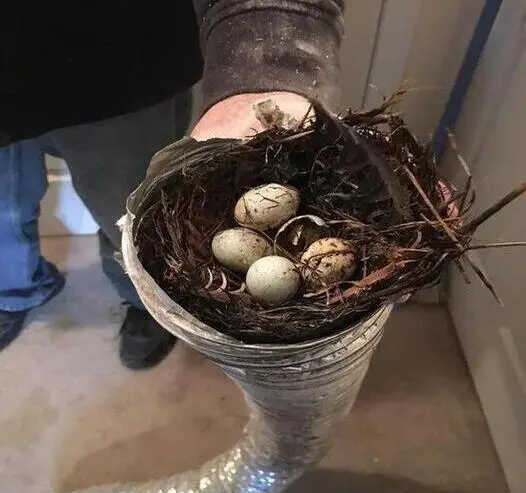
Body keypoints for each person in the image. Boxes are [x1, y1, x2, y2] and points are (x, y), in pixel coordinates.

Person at [0, 1, 344, 367]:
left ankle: (143, 302)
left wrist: (266, 68)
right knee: (6, 206)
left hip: (108, 66)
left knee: (130, 212)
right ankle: (14, 289)